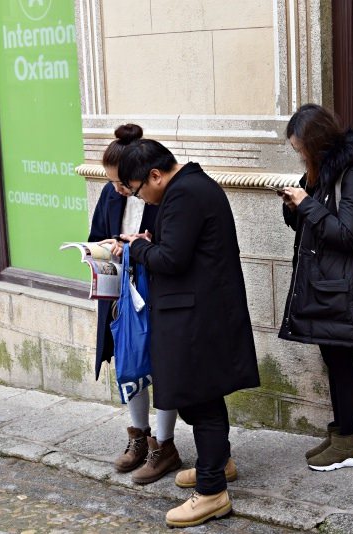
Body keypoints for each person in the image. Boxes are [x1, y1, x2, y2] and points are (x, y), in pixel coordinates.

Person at [117, 139, 260, 528]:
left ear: (155, 175)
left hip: (199, 317)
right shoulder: (189, 187)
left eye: (137, 189)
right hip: (199, 311)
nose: (140, 197)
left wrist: (137, 249)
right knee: (199, 399)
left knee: (202, 399)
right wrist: (151, 244)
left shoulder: (185, 195)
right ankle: (219, 463)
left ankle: (212, 493)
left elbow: (172, 259)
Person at [277, 103, 353, 472]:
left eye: (300, 149)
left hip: (344, 287)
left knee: (342, 364)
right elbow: (307, 224)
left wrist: (307, 204)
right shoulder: (323, 170)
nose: (299, 156)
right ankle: (340, 434)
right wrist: (295, 203)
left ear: (317, 143)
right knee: (333, 361)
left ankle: (349, 444)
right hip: (327, 284)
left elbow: (347, 233)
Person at [87, 124, 181, 485]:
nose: (116, 189)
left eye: (121, 183)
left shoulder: (159, 194)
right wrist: (105, 246)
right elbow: (96, 235)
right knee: (128, 360)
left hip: (155, 292)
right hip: (121, 292)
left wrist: (140, 244)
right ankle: (138, 436)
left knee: (160, 363)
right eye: (112, 182)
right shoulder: (112, 196)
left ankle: (164, 443)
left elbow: (170, 246)